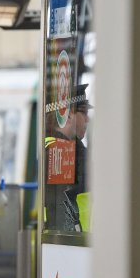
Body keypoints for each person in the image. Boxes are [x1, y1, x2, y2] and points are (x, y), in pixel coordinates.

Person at [44, 83, 91, 232]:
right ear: (68, 114)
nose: (87, 119)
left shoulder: (58, 150)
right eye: (83, 113)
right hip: (71, 245)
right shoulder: (62, 153)